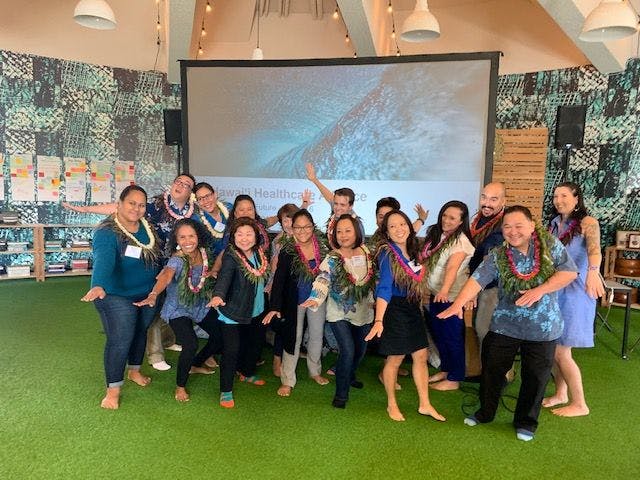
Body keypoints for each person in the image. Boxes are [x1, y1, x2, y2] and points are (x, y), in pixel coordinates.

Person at [438, 205, 578, 442]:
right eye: (507, 227)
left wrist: (539, 291)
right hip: (504, 325)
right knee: (492, 371)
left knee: (535, 378)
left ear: (532, 226)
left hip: (543, 328)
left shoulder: (549, 245)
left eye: (518, 226)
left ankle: (526, 422)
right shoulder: (498, 254)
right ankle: (485, 412)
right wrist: (457, 304)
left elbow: (569, 273)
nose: (513, 232)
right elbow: (477, 279)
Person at [64, 173, 198, 371]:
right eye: (179, 181)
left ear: (190, 192)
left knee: (161, 310)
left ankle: (164, 344)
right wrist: (84, 209)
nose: (181, 185)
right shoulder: (154, 205)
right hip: (144, 267)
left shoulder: (192, 212)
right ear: (172, 184)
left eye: (187, 184)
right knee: (138, 323)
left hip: (169, 266)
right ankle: (154, 354)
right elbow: (121, 210)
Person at [80, 185, 162, 409]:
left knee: (139, 332)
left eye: (141, 205)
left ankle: (135, 370)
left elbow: (158, 254)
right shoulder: (107, 231)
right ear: (119, 204)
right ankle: (113, 391)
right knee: (121, 338)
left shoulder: (148, 227)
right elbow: (103, 259)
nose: (136, 208)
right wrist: (98, 285)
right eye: (131, 203)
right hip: (114, 294)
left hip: (147, 293)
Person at [366, 209, 445, 422]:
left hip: (412, 307)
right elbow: (384, 288)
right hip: (393, 308)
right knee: (396, 358)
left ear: (409, 226)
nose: (398, 229)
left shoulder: (413, 249)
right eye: (392, 226)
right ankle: (391, 403)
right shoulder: (386, 253)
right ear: (386, 232)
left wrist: (421, 219)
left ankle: (425, 404)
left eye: (402, 224)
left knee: (421, 355)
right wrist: (379, 319)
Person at [134, 219, 218, 402]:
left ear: (198, 237)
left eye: (191, 236)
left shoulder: (204, 254)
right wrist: (154, 293)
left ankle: (195, 364)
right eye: (182, 237)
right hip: (178, 308)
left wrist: (212, 273)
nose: (187, 241)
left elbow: (211, 268)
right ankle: (180, 386)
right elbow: (166, 275)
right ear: (176, 240)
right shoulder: (176, 259)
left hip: (200, 305)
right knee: (191, 343)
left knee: (221, 336)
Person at [543, 182, 605, 417]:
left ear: (577, 198)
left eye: (564, 195)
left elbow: (595, 249)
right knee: (556, 346)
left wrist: (593, 272)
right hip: (556, 288)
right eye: (556, 196)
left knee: (561, 351)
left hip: (577, 291)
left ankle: (580, 404)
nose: (559, 200)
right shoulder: (553, 224)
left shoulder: (588, 222)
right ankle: (561, 393)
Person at [301, 214, 376, 408]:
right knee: (348, 351)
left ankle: (349, 375)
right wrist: (314, 298)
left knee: (359, 351)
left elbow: (374, 279)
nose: (343, 235)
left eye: (347, 230)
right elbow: (323, 278)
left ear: (357, 231)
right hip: (339, 312)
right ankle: (341, 394)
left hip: (365, 311)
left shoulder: (368, 253)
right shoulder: (333, 258)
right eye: (339, 231)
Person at [263, 210, 329, 397]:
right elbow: (279, 281)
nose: (302, 231)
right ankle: (288, 380)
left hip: (317, 299)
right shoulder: (288, 250)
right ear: (292, 228)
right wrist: (275, 307)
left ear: (313, 227)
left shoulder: (322, 247)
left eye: (306, 226)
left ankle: (315, 371)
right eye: (298, 227)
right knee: (294, 337)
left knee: (316, 335)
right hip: (294, 302)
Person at [207, 217, 271, 408]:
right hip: (232, 311)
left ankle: (246, 373)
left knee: (253, 345)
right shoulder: (231, 255)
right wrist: (218, 295)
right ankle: (226, 391)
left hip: (256, 309)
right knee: (231, 351)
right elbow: (224, 278)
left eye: (249, 234)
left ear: (256, 235)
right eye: (239, 234)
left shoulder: (260, 253)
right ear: (233, 237)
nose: (244, 239)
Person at [423, 201, 475, 391]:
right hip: (436, 295)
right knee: (440, 334)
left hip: (450, 298)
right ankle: (446, 369)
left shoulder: (461, 241)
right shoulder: (440, 235)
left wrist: (444, 290)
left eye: (452, 218)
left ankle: (455, 378)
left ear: (461, 221)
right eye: (444, 215)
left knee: (452, 338)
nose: (446, 220)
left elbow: (452, 268)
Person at [468, 182, 506, 359]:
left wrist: (474, 289)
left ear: (503, 201)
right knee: (479, 328)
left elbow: (488, 261)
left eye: (493, 199)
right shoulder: (478, 219)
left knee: (486, 330)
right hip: (478, 284)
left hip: (490, 287)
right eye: (484, 197)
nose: (487, 203)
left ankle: (496, 377)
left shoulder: (502, 227)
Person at [265, 203, 300, 377]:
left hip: (299, 289)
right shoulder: (279, 240)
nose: (288, 223)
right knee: (281, 323)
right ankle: (277, 359)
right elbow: (274, 268)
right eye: (284, 220)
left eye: (291, 219)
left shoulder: (305, 238)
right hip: (280, 288)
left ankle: (290, 355)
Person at [305, 162, 365, 248]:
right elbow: (329, 197)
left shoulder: (356, 224)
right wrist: (314, 180)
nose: (338, 208)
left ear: (350, 206)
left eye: (342, 205)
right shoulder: (337, 211)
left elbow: (359, 248)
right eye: (336, 203)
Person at [193, 182, 233, 259]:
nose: (205, 201)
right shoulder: (196, 221)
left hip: (235, 260)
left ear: (215, 194)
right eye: (200, 199)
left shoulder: (229, 208)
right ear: (197, 202)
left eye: (207, 196)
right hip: (212, 264)